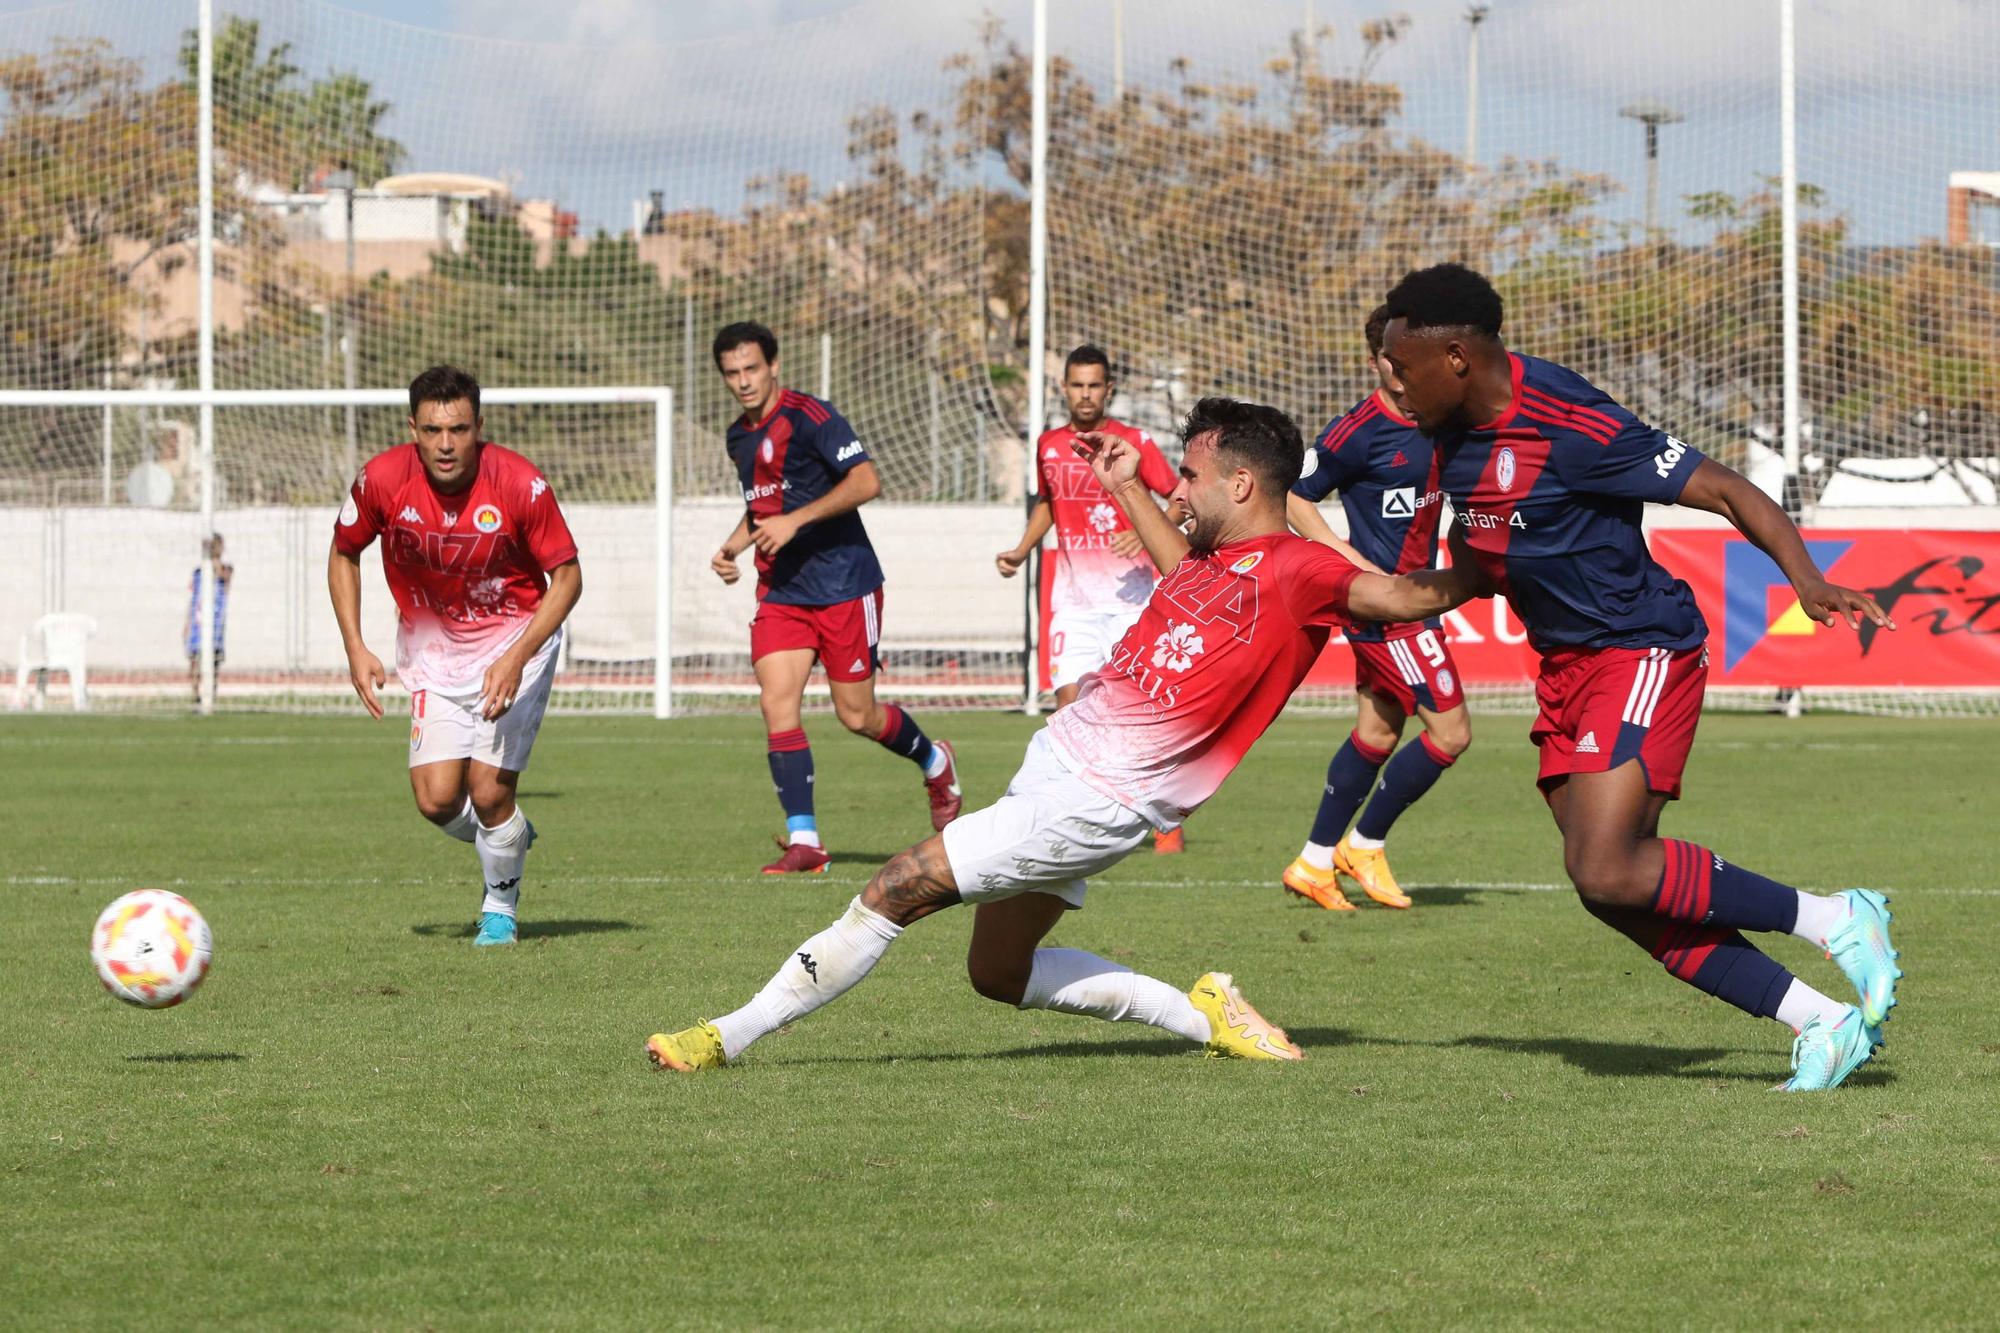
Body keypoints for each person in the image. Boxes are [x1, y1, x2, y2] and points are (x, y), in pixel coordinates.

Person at [645, 397, 1491, 1073]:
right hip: (1056, 762)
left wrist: (1495, 565)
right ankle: (1206, 1015)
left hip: (1103, 798)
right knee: (997, 975)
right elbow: (1178, 568)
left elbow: (1404, 598)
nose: (1177, 490)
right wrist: (1125, 483)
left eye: (1189, 476)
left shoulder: (1303, 571)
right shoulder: (1212, 559)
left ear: (1240, 485)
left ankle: (728, 1034)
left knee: (901, 881)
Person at [1375, 263, 1901, 1092]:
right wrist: (1354, 595)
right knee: (1612, 888)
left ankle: (1835, 917)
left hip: (1641, 644)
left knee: (1609, 865)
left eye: (1400, 366)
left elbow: (1727, 489)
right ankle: (1820, 1020)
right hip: (1565, 668)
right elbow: (1475, 570)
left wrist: (1805, 578)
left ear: (1455, 357)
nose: (1390, 384)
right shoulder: (1449, 445)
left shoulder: (1570, 423)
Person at [328, 365, 582, 947]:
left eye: (460, 429)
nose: (446, 444)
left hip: (514, 642)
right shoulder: (382, 480)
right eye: (433, 430)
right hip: (434, 651)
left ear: (479, 427)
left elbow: (567, 578)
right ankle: (509, 839)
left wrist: (518, 656)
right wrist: (355, 645)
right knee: (437, 800)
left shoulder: (520, 483)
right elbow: (343, 553)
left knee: (491, 793)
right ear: (413, 428)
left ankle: (500, 908)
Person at [710, 321, 960, 875]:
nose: (744, 381)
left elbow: (867, 481)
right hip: (783, 591)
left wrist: (795, 521)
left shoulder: (812, 416)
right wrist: (735, 544)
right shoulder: (739, 437)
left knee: (857, 716)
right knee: (776, 703)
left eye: (752, 369)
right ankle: (807, 843)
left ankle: (935, 760)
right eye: (732, 373)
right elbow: (764, 506)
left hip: (845, 585)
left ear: (774, 365)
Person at [1281, 307, 1472, 911]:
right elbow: (1292, 494)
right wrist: (1346, 559)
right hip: (1390, 612)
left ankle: (1313, 862)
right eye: (1395, 359)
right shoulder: (1356, 431)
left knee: (1376, 731)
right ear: (1376, 361)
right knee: (1451, 732)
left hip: (1415, 602)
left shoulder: (1440, 418)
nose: (1405, 369)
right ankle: (1364, 843)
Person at [996, 344, 1187, 853]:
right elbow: (1049, 507)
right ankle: (1071, 817)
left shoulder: (1132, 442)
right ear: (1064, 388)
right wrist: (1020, 551)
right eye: (1077, 385)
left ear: (1109, 389)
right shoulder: (1049, 445)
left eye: (1094, 385)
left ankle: (1167, 818)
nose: (1085, 394)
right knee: (1068, 711)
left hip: (1133, 602)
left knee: (1140, 714)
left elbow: (1181, 497)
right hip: (1075, 603)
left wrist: (1152, 530)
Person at [184, 531, 232, 704]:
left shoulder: (225, 570)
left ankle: (211, 695)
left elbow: (223, 576)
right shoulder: (198, 572)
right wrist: (186, 624)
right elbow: (192, 599)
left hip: (215, 627)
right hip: (198, 625)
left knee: (214, 663)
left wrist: (213, 557)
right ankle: (196, 696)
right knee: (195, 662)